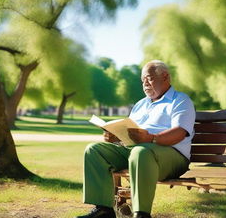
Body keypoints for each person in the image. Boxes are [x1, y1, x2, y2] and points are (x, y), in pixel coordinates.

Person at [76, 60, 195, 218]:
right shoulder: (140, 105)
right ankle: (103, 210)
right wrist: (115, 137)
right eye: (142, 80)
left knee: (140, 152)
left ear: (165, 77)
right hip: (136, 152)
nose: (145, 83)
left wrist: (151, 138)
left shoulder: (180, 100)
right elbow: (130, 135)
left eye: (149, 78)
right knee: (94, 150)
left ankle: (141, 214)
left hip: (171, 156)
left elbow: (179, 133)